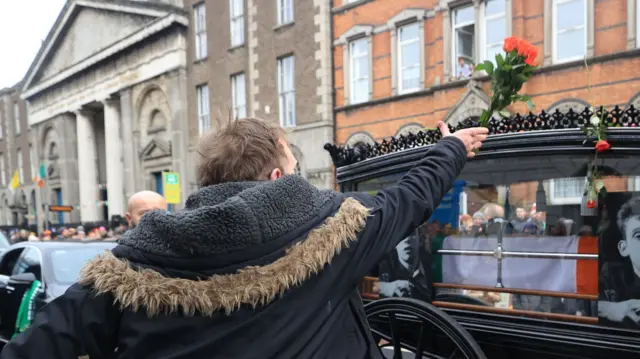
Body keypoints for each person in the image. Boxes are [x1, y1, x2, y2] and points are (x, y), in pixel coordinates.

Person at [0, 118, 487, 359]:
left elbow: (39, 344)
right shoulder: (334, 231)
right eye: (296, 170)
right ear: (277, 176)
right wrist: (451, 147)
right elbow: (410, 197)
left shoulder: (134, 259)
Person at [599, 196, 640, 328]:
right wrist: (611, 309)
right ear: (624, 248)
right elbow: (584, 302)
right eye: (639, 236)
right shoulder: (611, 275)